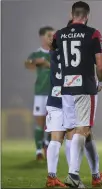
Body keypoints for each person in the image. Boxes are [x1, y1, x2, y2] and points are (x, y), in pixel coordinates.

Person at [45, 18, 102, 187]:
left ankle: (55, 176)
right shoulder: (84, 47)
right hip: (74, 93)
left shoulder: (57, 49)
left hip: (56, 94)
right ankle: (74, 176)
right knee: (78, 133)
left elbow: (52, 49)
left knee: (60, 138)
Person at [24, 26, 54, 160]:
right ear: (42, 37)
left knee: (53, 122)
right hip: (40, 92)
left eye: (53, 35)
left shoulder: (56, 53)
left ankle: (47, 144)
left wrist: (48, 64)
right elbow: (27, 64)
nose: (51, 38)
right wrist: (38, 62)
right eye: (49, 35)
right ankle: (38, 151)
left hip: (55, 93)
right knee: (40, 122)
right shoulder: (37, 54)